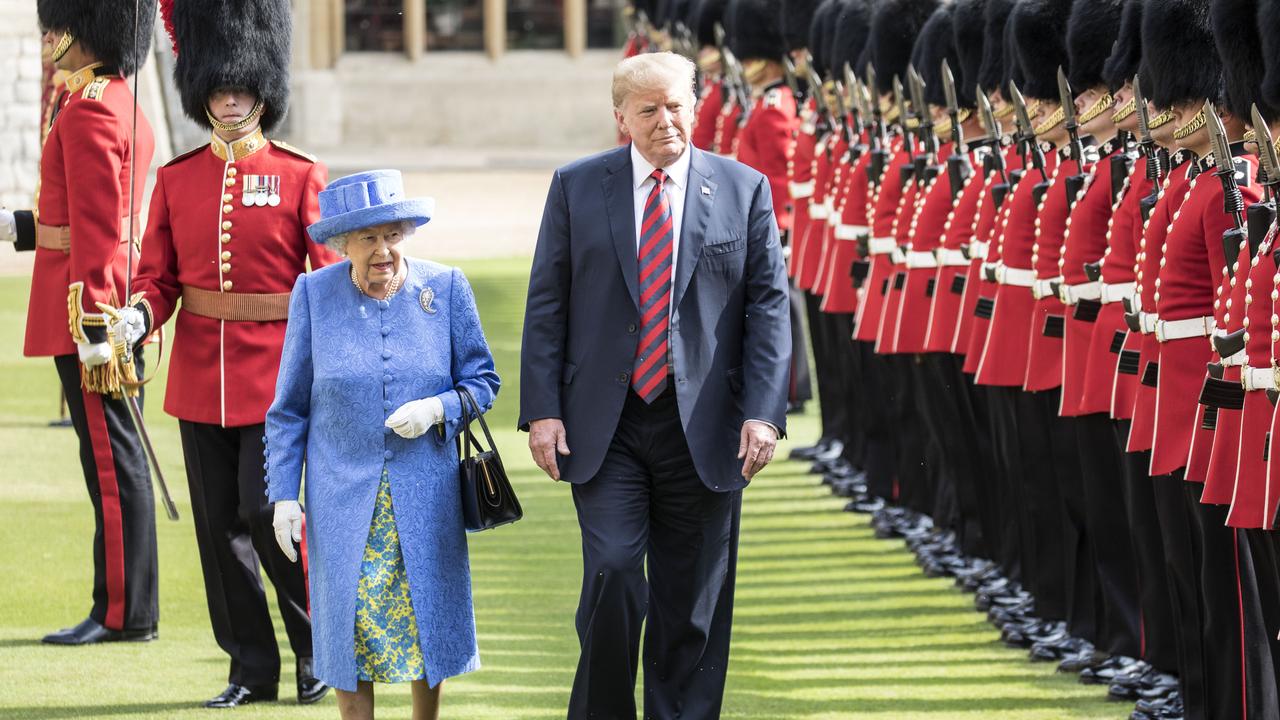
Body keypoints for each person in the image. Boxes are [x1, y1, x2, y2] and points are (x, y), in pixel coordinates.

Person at [519, 51, 791, 719]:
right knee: (613, 573)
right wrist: (542, 413)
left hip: (705, 426)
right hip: (605, 424)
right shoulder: (577, 186)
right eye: (648, 109)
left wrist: (764, 413)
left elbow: (769, 310)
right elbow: (547, 303)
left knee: (691, 601)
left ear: (693, 107)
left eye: (675, 105)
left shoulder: (743, 188)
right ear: (621, 118)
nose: (665, 120)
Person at [104, 0, 335, 707]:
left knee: (272, 523)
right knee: (218, 534)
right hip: (202, 381)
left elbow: (325, 279)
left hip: (277, 384)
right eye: (217, 89)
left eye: (239, 88)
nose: (229, 100)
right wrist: (137, 316)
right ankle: (249, 667)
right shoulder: (176, 179)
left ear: (262, 91)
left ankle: (314, 649)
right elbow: (160, 278)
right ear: (201, 91)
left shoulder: (299, 175)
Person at [265, 169, 500, 720]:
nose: (383, 251)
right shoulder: (313, 295)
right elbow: (288, 409)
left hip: (427, 498)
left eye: (392, 234)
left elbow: (483, 382)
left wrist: (437, 408)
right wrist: (283, 495)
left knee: (428, 627)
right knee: (351, 635)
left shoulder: (445, 289)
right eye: (368, 239)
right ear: (342, 244)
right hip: (343, 501)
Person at [0, 0, 159, 646]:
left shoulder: (91, 106)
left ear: (87, 32)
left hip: (92, 311)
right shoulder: (115, 99)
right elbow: (96, 213)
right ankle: (125, 604)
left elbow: (99, 229)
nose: (50, 37)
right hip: (108, 301)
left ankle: (123, 612)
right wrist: (24, 228)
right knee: (115, 460)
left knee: (110, 462)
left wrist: (94, 323)